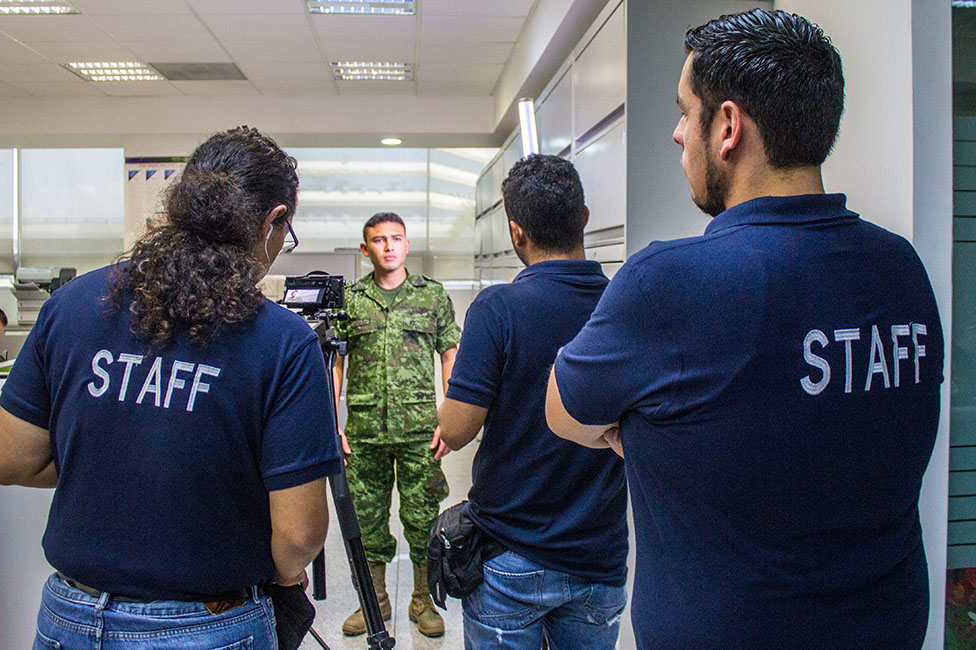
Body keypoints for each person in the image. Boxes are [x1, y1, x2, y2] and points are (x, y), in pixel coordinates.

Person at [546, 9, 944, 650]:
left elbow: (563, 414)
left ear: (727, 126)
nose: (678, 134)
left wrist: (645, 438)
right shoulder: (901, 268)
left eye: (685, 111)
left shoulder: (669, 282)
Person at [0, 126, 341, 650]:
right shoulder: (283, 342)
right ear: (273, 221)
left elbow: (10, 461)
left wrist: (119, 460)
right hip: (206, 625)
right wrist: (287, 574)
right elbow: (298, 535)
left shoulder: (71, 305)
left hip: (69, 617)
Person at [439, 154, 628, 649]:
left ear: (516, 232)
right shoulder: (623, 304)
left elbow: (455, 430)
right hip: (597, 555)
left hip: (510, 555)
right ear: (584, 217)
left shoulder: (498, 309)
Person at [333, 211, 460, 638]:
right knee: (366, 522)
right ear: (365, 249)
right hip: (364, 434)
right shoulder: (351, 301)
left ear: (407, 246)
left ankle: (422, 601)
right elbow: (336, 364)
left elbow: (450, 358)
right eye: (379, 240)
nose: (388, 246)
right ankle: (375, 602)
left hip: (420, 431)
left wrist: (451, 419)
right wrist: (332, 424)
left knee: (422, 518)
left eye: (396, 239)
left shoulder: (433, 297)